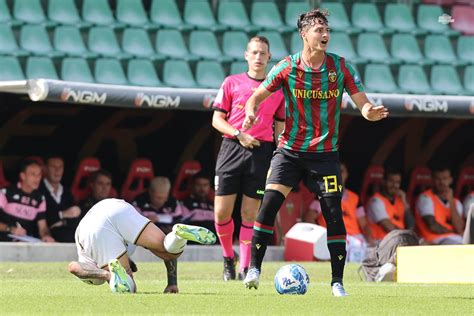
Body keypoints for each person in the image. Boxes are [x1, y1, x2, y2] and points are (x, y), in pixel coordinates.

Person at [241, 9, 389, 296]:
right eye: (318, 29)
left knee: (333, 214)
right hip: (290, 152)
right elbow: (257, 95)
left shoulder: (341, 67)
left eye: (326, 30)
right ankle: (254, 269)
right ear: (304, 35)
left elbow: (363, 104)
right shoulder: (286, 66)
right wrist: (250, 112)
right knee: (269, 203)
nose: (325, 35)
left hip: (325, 155)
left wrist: (370, 112)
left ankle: (337, 282)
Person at [212, 36, 285, 281]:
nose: (258, 57)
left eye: (262, 53)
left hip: (261, 153)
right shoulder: (232, 82)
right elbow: (216, 120)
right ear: (246, 55)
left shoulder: (276, 90)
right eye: (254, 52)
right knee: (221, 213)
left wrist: (280, 152)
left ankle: (244, 266)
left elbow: (281, 126)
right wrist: (239, 134)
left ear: (269, 57)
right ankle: (226, 258)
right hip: (232, 148)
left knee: (249, 214)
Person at [68, 198, 216, 293]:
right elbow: (163, 253)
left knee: (128, 288)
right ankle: (177, 235)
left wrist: (107, 275)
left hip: (93, 228)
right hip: (115, 206)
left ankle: (118, 277)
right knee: (167, 248)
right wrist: (172, 282)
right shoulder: (125, 245)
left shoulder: (94, 271)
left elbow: (73, 267)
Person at [309, 162, 374, 262]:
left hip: (355, 239)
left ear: (347, 174)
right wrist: (320, 238)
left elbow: (364, 224)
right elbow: (309, 217)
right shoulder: (322, 195)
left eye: (342, 171)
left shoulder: (355, 198)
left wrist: (370, 240)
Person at [132, 176, 184, 293]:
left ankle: (172, 283)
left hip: (165, 235)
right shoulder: (138, 202)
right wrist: (148, 221)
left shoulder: (173, 202)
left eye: (163, 198)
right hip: (141, 235)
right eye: (158, 197)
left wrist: (158, 220)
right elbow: (132, 223)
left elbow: (179, 223)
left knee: (170, 240)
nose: (161, 201)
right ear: (150, 192)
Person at [0, 158, 55, 242]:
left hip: (27, 244)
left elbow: (43, 227)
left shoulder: (40, 198)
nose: (37, 178)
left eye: (39, 174)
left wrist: (46, 236)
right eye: (33, 174)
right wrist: (10, 229)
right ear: (23, 176)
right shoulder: (6, 193)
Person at [415, 166, 465, 245]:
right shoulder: (425, 198)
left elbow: (459, 228)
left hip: (457, 239)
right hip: (435, 240)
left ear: (450, 180)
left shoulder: (456, 202)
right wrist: (453, 231)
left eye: (445, 178)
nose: (441, 182)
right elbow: (433, 227)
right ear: (432, 180)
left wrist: (451, 201)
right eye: (438, 179)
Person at [39, 155, 81, 242]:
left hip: (69, 237)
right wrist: (63, 214)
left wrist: (60, 220)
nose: (57, 170)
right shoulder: (38, 189)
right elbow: (41, 220)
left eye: (60, 167)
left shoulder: (67, 192)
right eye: (53, 167)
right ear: (45, 169)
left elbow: (75, 218)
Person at [366, 168, 412, 243]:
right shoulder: (376, 201)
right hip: (381, 242)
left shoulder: (400, 200)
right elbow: (389, 228)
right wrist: (408, 236)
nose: (394, 185)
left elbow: (411, 225)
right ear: (384, 182)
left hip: (398, 240)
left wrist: (404, 201)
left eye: (397, 182)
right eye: (391, 181)